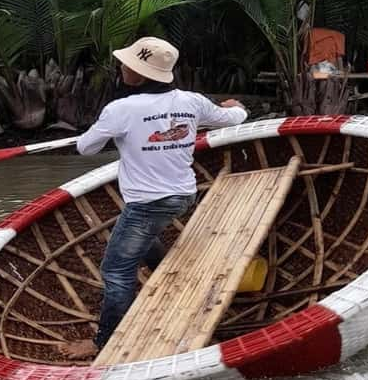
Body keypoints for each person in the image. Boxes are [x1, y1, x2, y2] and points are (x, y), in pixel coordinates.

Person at [58, 36, 248, 360]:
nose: (121, 67)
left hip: (147, 205)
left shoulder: (121, 110)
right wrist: (237, 107)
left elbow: (84, 148)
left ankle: (103, 343)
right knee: (140, 237)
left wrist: (106, 130)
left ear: (141, 74)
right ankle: (173, 278)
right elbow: (233, 118)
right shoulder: (192, 102)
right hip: (184, 196)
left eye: (128, 64)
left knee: (116, 271)